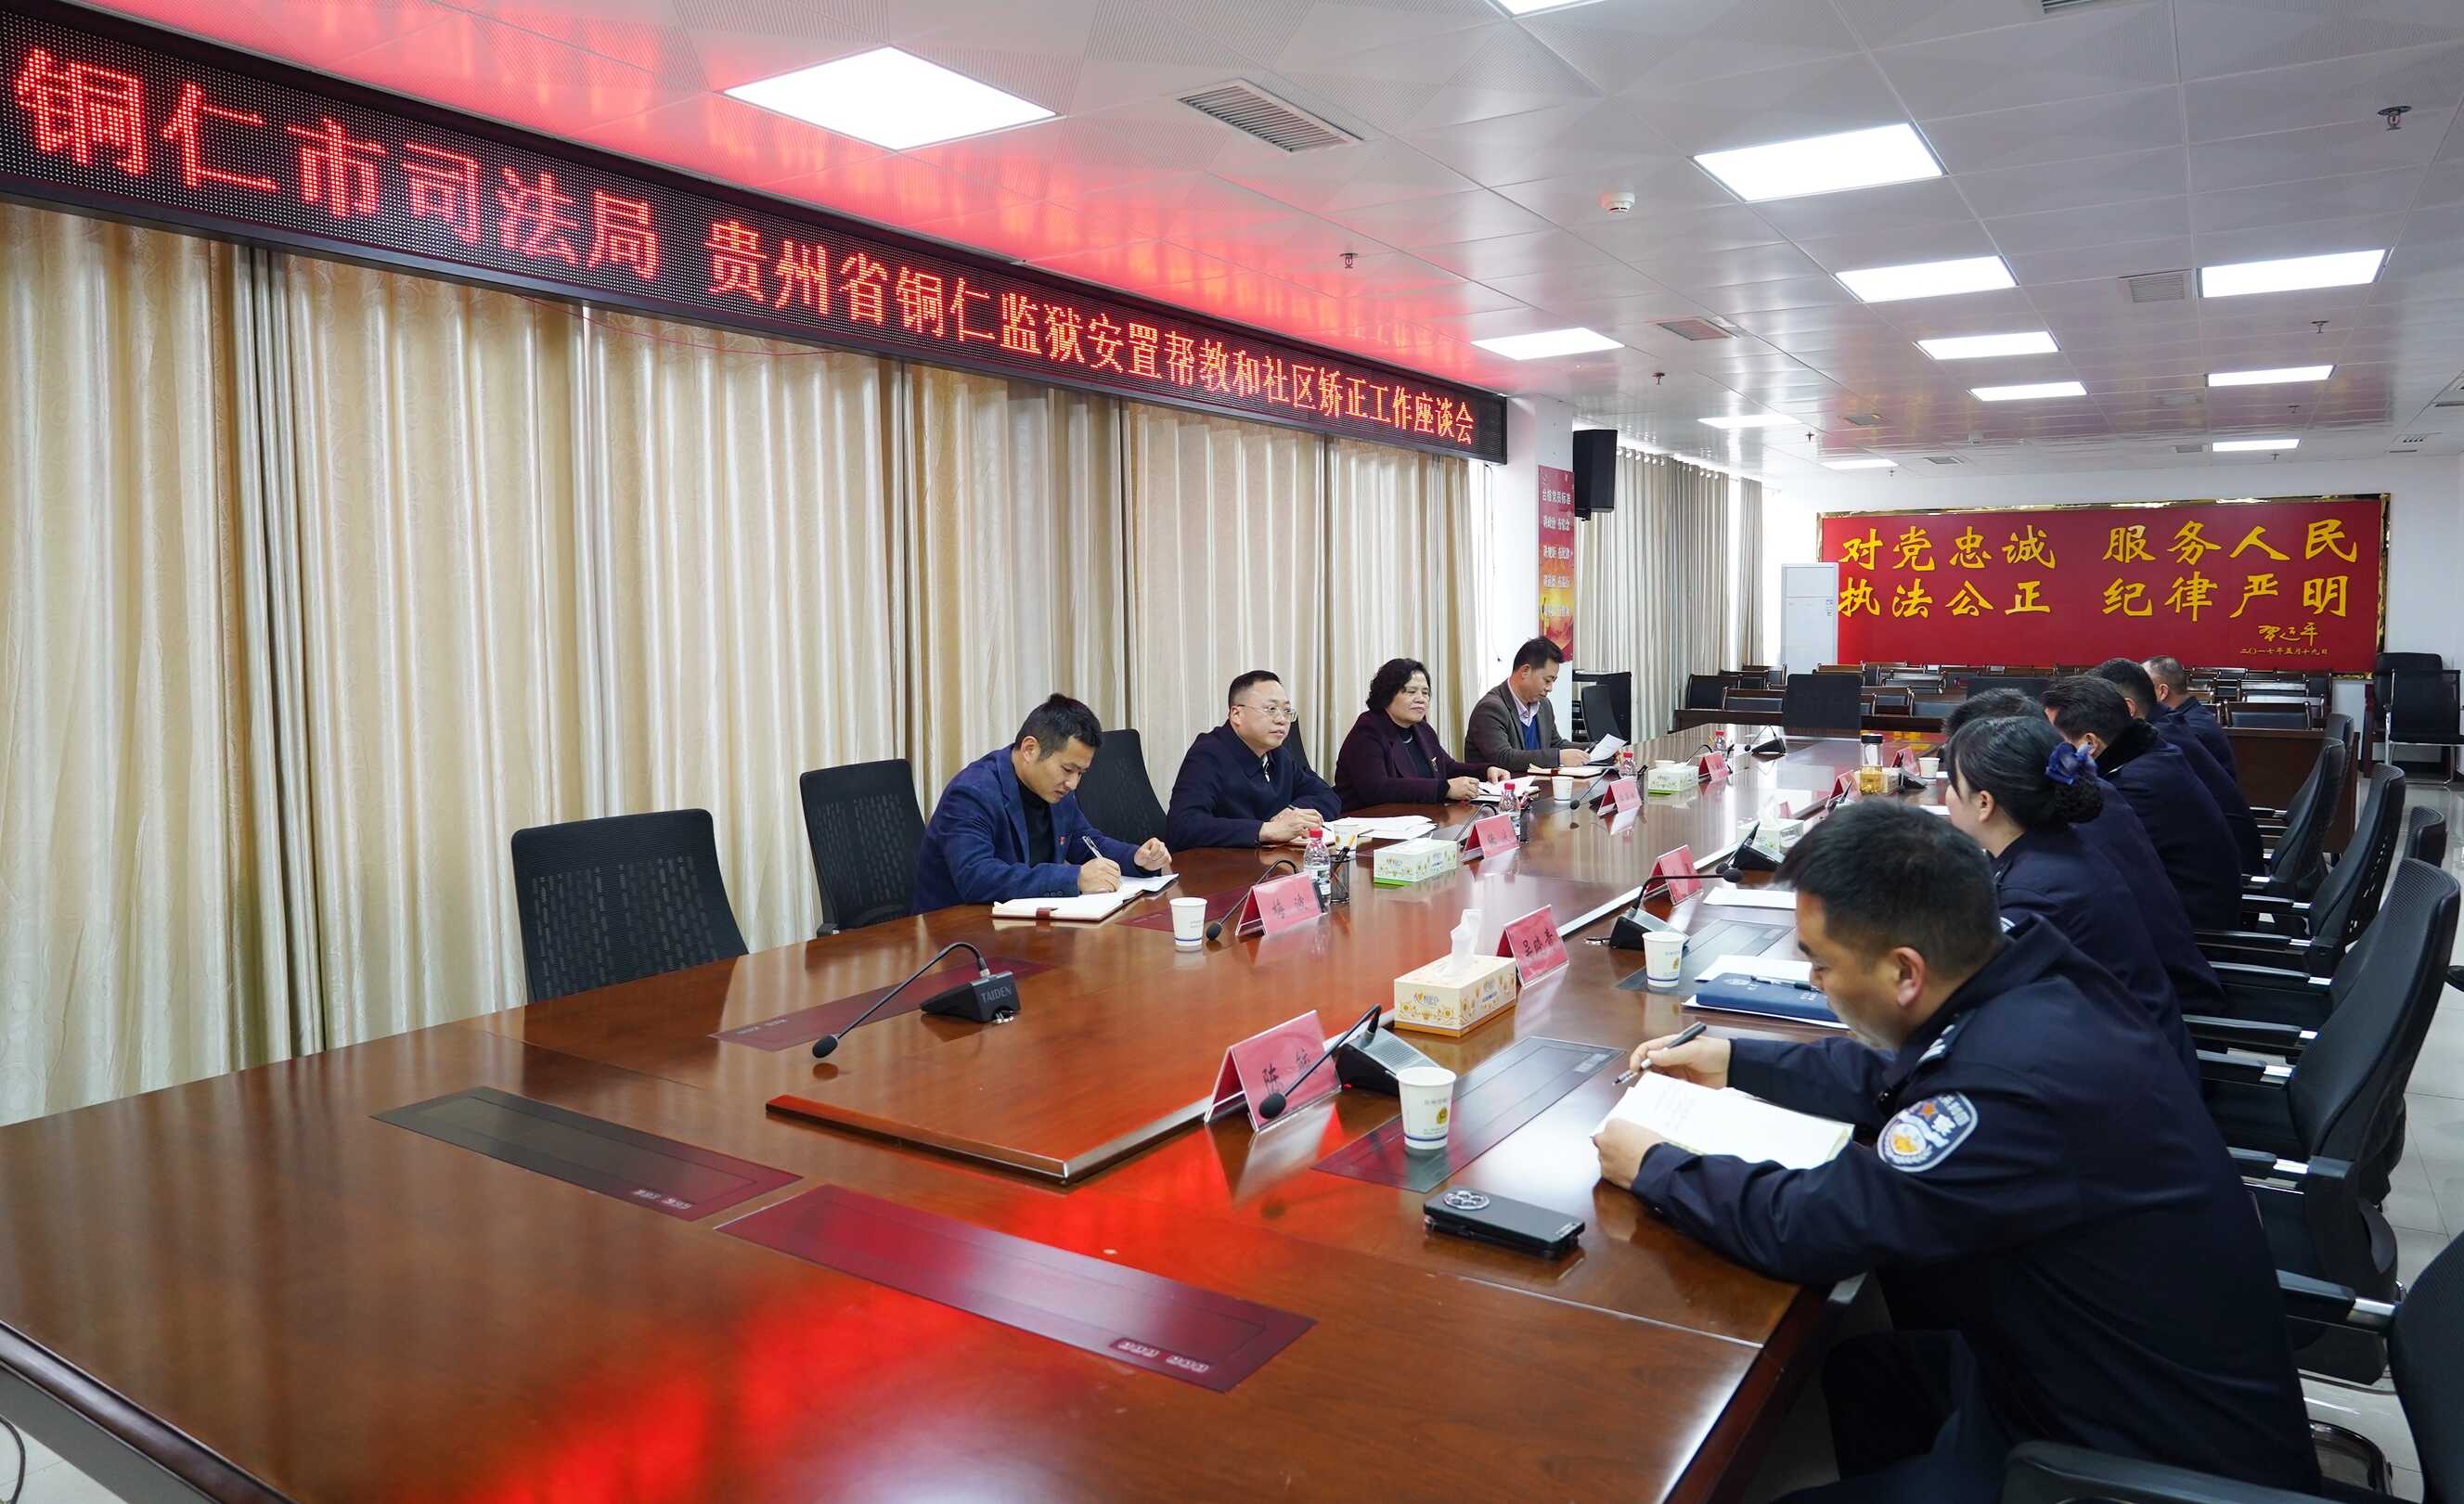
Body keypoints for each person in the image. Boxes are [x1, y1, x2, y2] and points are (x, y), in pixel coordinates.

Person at [1593, 802, 2318, 1503]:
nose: (1815, 982)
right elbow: (1897, 1075)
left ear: (1904, 972)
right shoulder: (2027, 970)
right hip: (2076, 1366)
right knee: (1867, 1374)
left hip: (2133, 1453)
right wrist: (1735, 1059)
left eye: (1821, 965)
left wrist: (1654, 1165)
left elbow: (1813, 1226)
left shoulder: (2006, 1090)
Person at [1942, 690, 2228, 1022]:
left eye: (1952, 783)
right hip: (2134, 1016)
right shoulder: (2064, 829)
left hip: (2126, 1036)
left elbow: (1964, 1002)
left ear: (1984, 802)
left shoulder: (2036, 891)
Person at [911, 695, 1170, 910]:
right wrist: (1074, 878)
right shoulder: (972, 793)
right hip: (959, 938)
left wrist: (1136, 859)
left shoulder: (1056, 790)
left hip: (1025, 929)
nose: (1073, 784)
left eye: (1081, 773)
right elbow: (976, 877)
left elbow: (1086, 842)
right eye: (1067, 769)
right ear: (1030, 749)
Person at [2042, 675, 2243, 929]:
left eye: (2053, 739)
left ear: (2089, 743)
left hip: (2194, 928)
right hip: (2179, 908)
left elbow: (2081, 861)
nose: (2049, 749)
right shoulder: (2151, 752)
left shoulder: (2135, 786)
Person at [2090, 658, 2262, 873]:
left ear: (2128, 707)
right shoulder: (2170, 725)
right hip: (2218, 860)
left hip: (2230, 868)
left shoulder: (2162, 743)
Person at [1165, 670, 1342, 849]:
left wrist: (1290, 812)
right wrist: (1266, 830)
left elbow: (1327, 796)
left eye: (1287, 711)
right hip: (1221, 863)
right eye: (1271, 709)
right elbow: (1182, 827)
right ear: (1236, 714)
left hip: (1272, 860)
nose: (1282, 720)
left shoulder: (1278, 754)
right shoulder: (1208, 755)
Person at [1333, 658, 1511, 812]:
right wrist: (1444, 789)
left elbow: (1447, 768)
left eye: (1425, 693)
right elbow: (1378, 789)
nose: (1421, 699)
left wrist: (1486, 771)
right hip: (1366, 825)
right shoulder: (1368, 730)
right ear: (1387, 695)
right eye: (1411, 692)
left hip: (1417, 820)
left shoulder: (1422, 729)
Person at [1463, 636, 1593, 775]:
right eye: (1547, 680)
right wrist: (1558, 757)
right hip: (1502, 787)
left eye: (1553, 681)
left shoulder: (1543, 705)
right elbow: (1504, 758)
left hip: (1538, 785)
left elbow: (1555, 744)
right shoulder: (1490, 709)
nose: (1550, 688)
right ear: (1525, 671)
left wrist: (1593, 748)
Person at [2143, 654, 2236, 777]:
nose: (2138, 696)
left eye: (2141, 690)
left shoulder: (2183, 731)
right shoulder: (2193, 713)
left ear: (2162, 692)